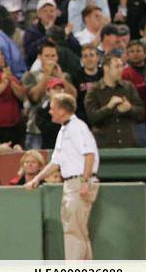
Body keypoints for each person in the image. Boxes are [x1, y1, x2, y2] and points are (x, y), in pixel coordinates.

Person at [23, 93, 100, 260]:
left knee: (73, 231)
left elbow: (89, 155)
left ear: (63, 110)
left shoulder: (77, 127)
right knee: (78, 231)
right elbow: (55, 162)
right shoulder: (64, 129)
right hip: (72, 183)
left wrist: (85, 182)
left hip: (79, 181)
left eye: (52, 108)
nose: (50, 111)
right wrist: (37, 178)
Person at [83, 53, 144, 148]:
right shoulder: (94, 90)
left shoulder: (129, 87)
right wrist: (108, 107)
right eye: (117, 67)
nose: (121, 70)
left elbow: (141, 112)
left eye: (122, 66)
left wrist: (129, 108)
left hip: (127, 143)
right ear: (106, 68)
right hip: (104, 145)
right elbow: (92, 118)